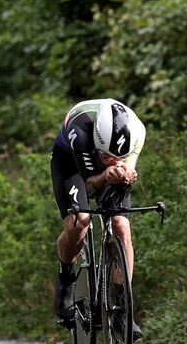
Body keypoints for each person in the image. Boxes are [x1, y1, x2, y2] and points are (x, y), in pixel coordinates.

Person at [51, 98, 145, 340]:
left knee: (121, 225)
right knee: (79, 222)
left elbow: (123, 168)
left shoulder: (137, 132)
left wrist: (126, 172)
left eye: (118, 157)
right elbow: (91, 185)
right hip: (71, 161)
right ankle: (65, 277)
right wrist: (105, 174)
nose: (114, 161)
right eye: (108, 156)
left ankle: (122, 305)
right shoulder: (80, 131)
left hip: (106, 159)